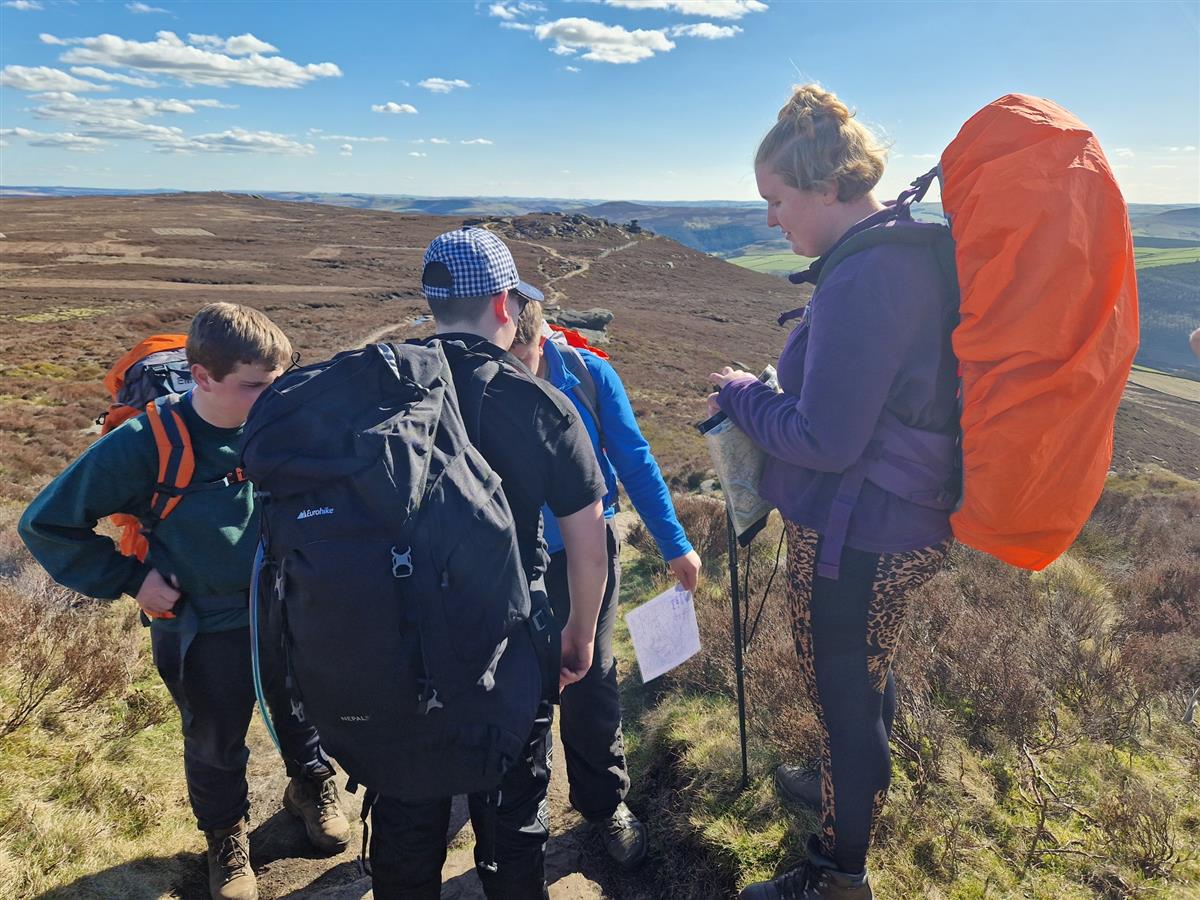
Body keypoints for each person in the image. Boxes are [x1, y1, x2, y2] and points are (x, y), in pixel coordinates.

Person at [708, 85, 958, 899]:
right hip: (887, 515)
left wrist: (744, 395)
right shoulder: (894, 252)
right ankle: (843, 787)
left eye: (777, 200)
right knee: (862, 675)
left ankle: (839, 874)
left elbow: (825, 439)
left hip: (863, 531)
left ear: (825, 187)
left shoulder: (868, 276)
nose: (771, 219)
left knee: (846, 695)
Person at [19, 303, 350, 900]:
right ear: (202, 377)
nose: (271, 397)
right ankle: (226, 838)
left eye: (278, 381)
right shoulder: (146, 443)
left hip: (284, 606)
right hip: (201, 622)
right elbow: (45, 524)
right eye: (254, 386)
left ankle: (310, 786)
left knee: (300, 707)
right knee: (215, 737)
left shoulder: (278, 421)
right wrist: (130, 579)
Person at [367, 226, 610, 900]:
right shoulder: (538, 404)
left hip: (396, 646)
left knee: (406, 812)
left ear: (434, 302)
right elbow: (589, 545)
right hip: (509, 648)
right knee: (513, 816)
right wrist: (580, 635)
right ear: (505, 304)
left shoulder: (381, 387)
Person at [510, 302, 702, 867]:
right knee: (513, 678)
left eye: (523, 357)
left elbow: (634, 459)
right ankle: (515, 804)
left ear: (542, 337)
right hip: (503, 556)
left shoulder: (590, 376)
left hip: (584, 552)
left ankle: (603, 803)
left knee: (590, 677)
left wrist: (674, 544)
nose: (514, 372)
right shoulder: (471, 376)